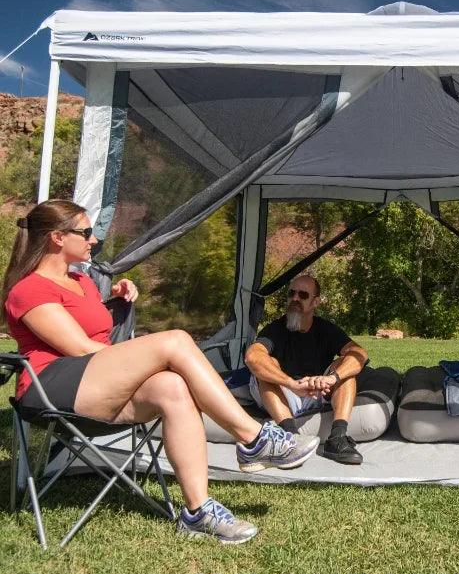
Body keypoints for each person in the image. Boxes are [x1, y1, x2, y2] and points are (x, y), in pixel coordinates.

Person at [1, 200, 320, 545]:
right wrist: (142, 357)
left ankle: (198, 512)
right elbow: (78, 348)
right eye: (87, 232)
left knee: (172, 387)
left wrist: (117, 300)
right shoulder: (28, 289)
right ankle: (254, 438)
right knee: (176, 342)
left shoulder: (82, 282)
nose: (94, 241)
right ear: (57, 238)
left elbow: (92, 329)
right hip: (52, 387)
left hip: (94, 386)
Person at [245, 274, 369, 465]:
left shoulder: (325, 329)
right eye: (291, 293)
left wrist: (332, 378)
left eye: (302, 295)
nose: (295, 299)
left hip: (318, 391)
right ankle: (291, 439)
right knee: (266, 367)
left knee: (346, 366)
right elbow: (252, 357)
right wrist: (291, 384)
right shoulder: (275, 329)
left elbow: (360, 354)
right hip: (284, 393)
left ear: (315, 302)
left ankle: (337, 438)